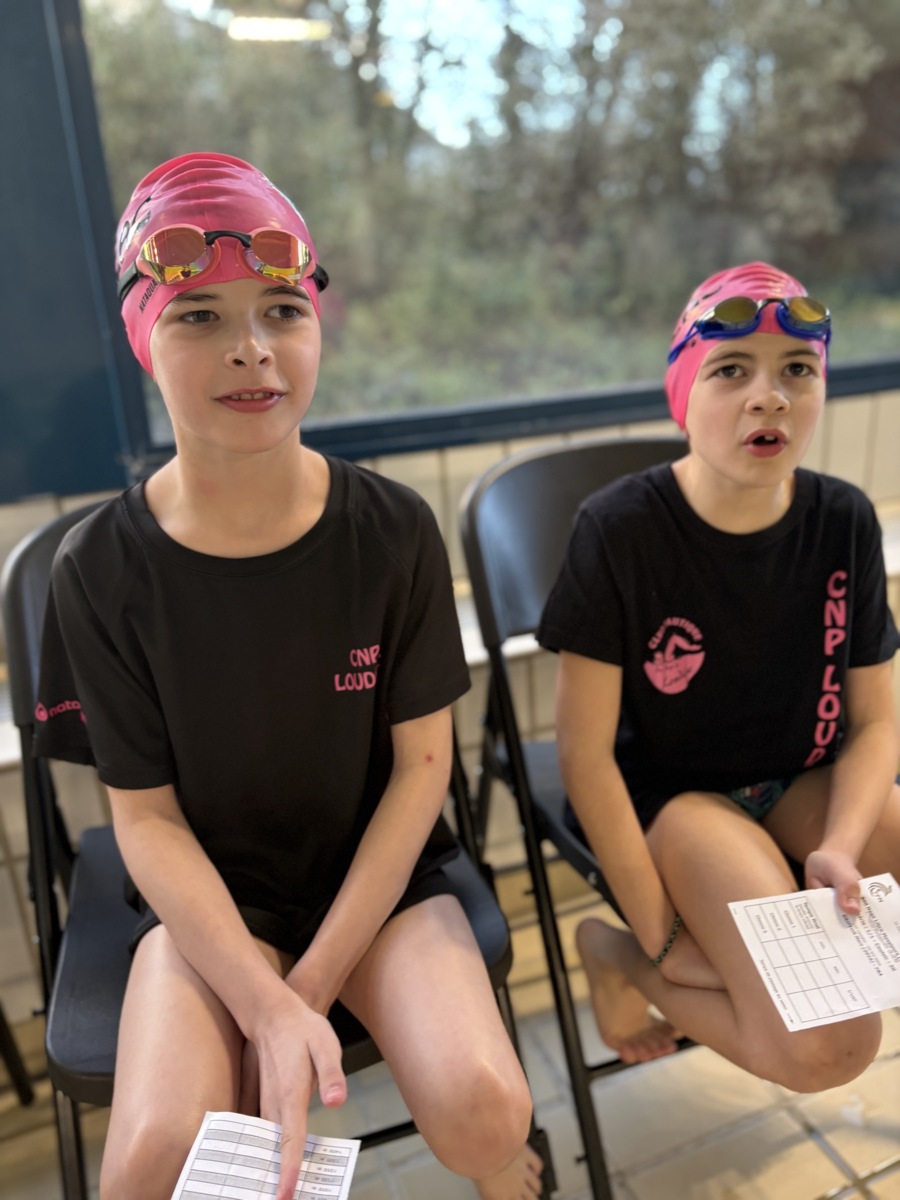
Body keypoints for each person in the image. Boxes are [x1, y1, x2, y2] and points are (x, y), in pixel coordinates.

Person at [35, 153, 543, 1200]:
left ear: (317, 328)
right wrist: (259, 1003)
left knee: (488, 1112)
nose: (252, 348)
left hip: (381, 881)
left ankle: (506, 1166)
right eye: (199, 317)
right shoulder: (99, 569)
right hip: (209, 900)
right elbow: (146, 821)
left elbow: (421, 774)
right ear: (144, 341)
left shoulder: (392, 530)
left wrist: (301, 993)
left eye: (281, 310)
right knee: (147, 1172)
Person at [537, 261, 900, 1088]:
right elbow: (585, 757)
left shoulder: (843, 520)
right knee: (831, 1049)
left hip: (805, 782)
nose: (769, 397)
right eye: (731, 370)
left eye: (797, 370)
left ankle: (764, 892)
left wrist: (840, 847)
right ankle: (617, 958)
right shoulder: (619, 530)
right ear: (683, 395)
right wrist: (658, 938)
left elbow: (878, 722)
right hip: (682, 803)